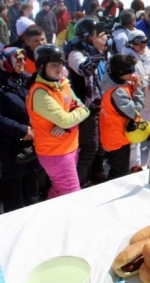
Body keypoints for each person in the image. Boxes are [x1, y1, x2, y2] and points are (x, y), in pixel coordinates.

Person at [27, 44, 90, 199]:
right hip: (55, 153)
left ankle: (49, 219)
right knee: (72, 195)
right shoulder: (40, 93)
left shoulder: (62, 83)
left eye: (61, 64)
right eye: (53, 65)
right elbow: (69, 117)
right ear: (42, 67)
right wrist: (68, 121)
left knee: (60, 191)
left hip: (68, 147)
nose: (59, 68)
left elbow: (80, 109)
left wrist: (67, 125)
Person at [65, 18, 108, 187]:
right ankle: (80, 181)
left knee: (101, 144)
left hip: (100, 104)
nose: (101, 37)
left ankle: (96, 173)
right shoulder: (75, 52)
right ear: (88, 36)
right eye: (97, 34)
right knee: (90, 147)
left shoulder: (94, 50)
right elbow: (84, 70)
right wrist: (98, 51)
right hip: (86, 108)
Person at [0, 47, 40, 212]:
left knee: (33, 192)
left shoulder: (27, 79)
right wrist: (22, 130)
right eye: (18, 59)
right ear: (6, 61)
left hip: (31, 145)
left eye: (24, 59)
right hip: (9, 147)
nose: (23, 62)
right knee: (14, 197)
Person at [123, 29, 150, 171]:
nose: (142, 45)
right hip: (137, 102)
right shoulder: (127, 58)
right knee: (135, 135)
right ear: (130, 44)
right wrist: (148, 83)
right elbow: (130, 78)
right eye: (138, 42)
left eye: (144, 41)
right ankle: (135, 165)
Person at [99, 54, 145, 180]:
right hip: (116, 140)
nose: (134, 73)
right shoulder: (117, 92)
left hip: (117, 135)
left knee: (119, 170)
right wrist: (139, 90)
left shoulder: (118, 83)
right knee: (119, 174)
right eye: (131, 70)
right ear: (121, 72)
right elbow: (134, 111)